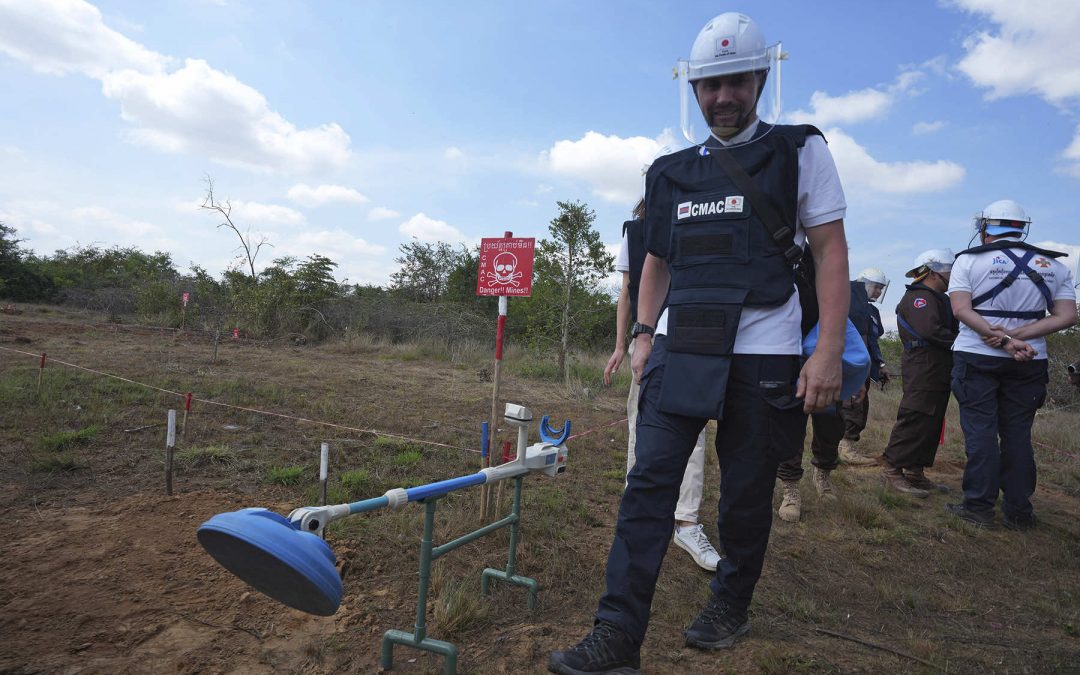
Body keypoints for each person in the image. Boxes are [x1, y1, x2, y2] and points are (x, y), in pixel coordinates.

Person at [549, 12, 849, 673]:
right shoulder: (669, 172)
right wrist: (640, 335)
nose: (722, 98)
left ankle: (730, 602)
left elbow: (830, 253)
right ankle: (616, 637)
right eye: (709, 86)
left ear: (761, 78)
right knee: (646, 488)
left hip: (766, 355)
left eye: (736, 82)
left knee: (743, 496)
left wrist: (826, 349)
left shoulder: (800, 151)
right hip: (680, 352)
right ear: (693, 89)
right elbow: (656, 260)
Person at [604, 198, 721, 571]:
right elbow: (628, 290)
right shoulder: (635, 233)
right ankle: (636, 509)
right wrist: (622, 343)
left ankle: (685, 521)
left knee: (692, 430)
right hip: (649, 340)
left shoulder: (702, 224)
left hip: (692, 338)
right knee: (641, 425)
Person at [947, 199, 1077, 530]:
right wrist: (1019, 336)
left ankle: (978, 508)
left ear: (985, 227)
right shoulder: (1056, 266)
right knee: (1018, 434)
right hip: (1030, 359)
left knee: (981, 432)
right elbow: (1067, 316)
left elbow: (961, 310)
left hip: (977, 354)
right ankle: (1019, 512)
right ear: (1023, 227)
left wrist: (1004, 339)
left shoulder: (967, 262)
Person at [774, 268, 886, 523]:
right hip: (790, 367)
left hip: (826, 370)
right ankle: (790, 489)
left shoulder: (832, 293)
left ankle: (823, 474)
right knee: (790, 430)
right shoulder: (778, 282)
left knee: (830, 428)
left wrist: (855, 380)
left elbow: (849, 338)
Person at [880, 249, 958, 496]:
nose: (954, 275)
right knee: (915, 415)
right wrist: (966, 342)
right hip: (923, 365)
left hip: (939, 366)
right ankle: (892, 469)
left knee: (932, 420)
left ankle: (915, 471)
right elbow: (930, 331)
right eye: (950, 270)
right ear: (934, 272)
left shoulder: (939, 297)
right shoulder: (919, 298)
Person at [838, 268, 890, 465]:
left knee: (861, 404)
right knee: (852, 403)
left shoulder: (872, 311)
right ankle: (845, 448)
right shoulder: (847, 304)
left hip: (866, 365)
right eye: (877, 287)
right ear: (865, 284)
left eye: (881, 288)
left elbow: (872, 342)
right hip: (851, 364)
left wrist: (881, 364)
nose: (878, 292)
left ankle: (846, 444)